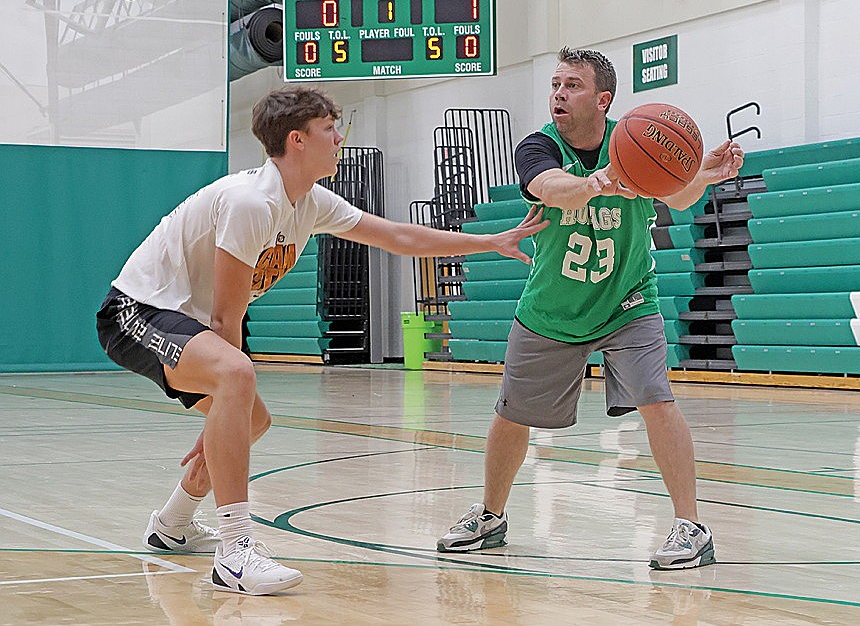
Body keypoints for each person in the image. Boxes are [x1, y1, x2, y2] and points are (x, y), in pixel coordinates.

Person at [96, 86, 547, 596]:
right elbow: (226, 319)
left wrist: (487, 240)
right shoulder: (250, 203)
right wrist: (219, 396)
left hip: (185, 323)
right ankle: (235, 550)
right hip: (136, 311)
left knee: (254, 419)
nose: (339, 139)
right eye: (329, 129)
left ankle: (172, 523)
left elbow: (397, 236)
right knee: (236, 377)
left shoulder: (307, 201)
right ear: (297, 140)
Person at [437, 47, 744, 570]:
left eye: (572, 85)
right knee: (511, 414)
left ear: (603, 98)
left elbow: (677, 195)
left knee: (656, 399)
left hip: (629, 299)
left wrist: (706, 175)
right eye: (555, 84)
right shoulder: (538, 145)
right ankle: (491, 514)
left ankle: (692, 526)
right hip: (553, 306)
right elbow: (549, 188)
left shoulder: (638, 137)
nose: (558, 93)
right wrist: (593, 183)